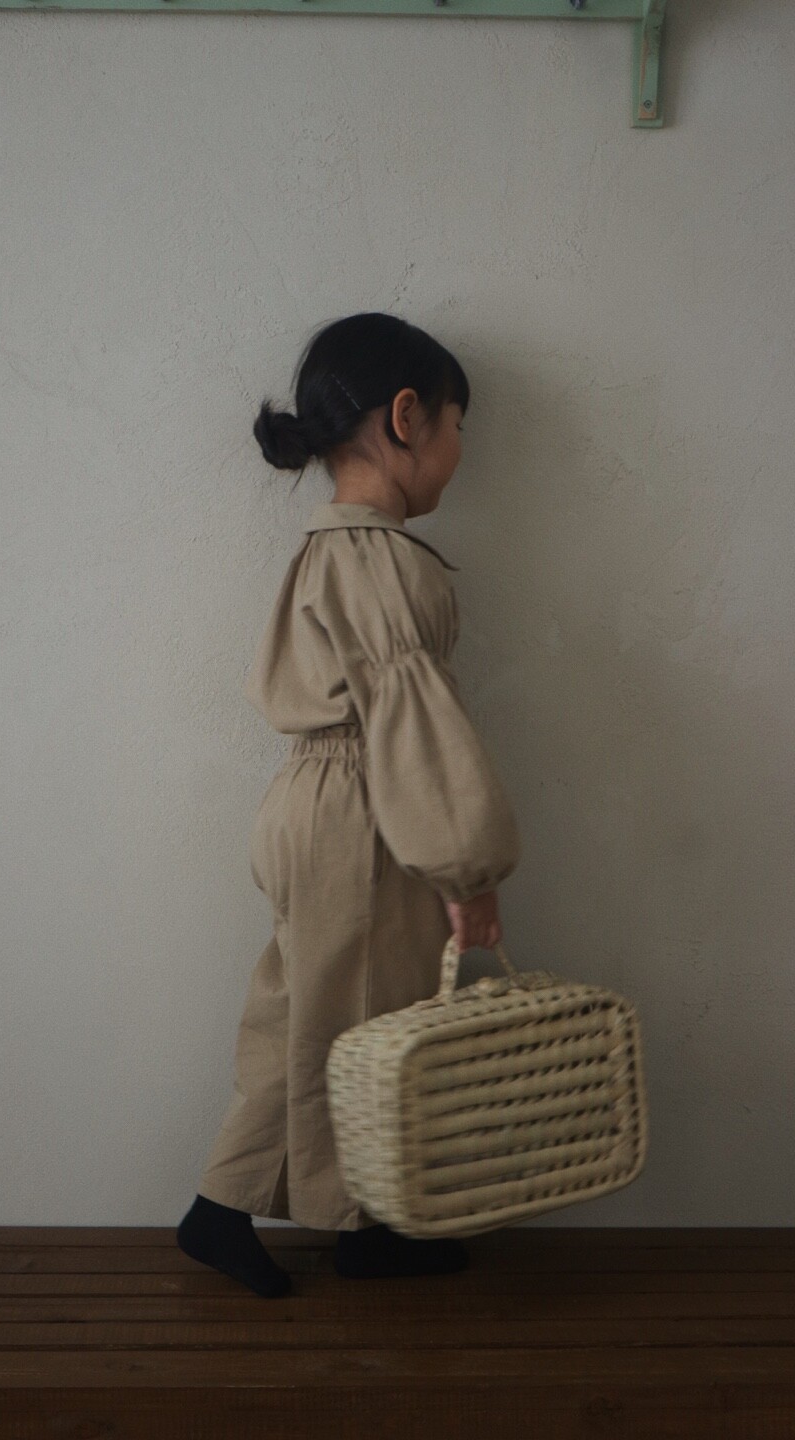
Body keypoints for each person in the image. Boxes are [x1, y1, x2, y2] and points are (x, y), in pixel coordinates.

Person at [176, 312, 522, 1298]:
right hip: (365, 813)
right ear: (407, 417)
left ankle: (279, 1215)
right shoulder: (382, 560)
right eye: (458, 427)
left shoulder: (327, 551)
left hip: (309, 799)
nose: (461, 453)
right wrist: (467, 867)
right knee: (370, 1021)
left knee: (307, 1013)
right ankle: (342, 1224)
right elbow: (415, 726)